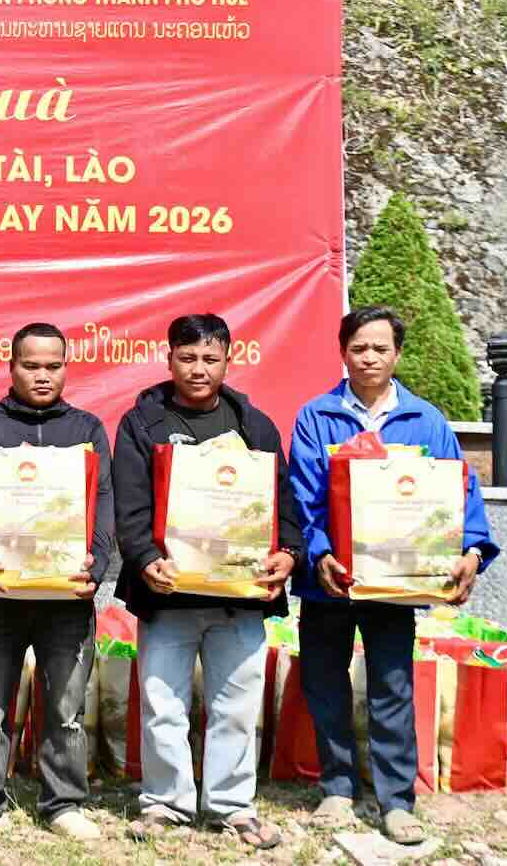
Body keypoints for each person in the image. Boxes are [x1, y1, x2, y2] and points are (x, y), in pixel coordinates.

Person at [289, 306, 498, 845]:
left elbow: (460, 494)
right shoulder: (316, 416)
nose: (370, 357)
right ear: (343, 352)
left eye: (381, 348)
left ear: (397, 354)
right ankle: (336, 788)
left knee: (392, 686)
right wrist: (317, 555)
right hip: (330, 581)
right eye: (360, 347)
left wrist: (470, 554)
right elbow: (303, 497)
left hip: (398, 584)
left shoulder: (427, 420)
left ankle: (396, 801)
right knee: (326, 682)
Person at [112, 313, 302, 849]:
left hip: (238, 599)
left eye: (210, 358)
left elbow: (282, 500)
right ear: (169, 358)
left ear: (227, 359)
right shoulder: (141, 423)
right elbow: (129, 501)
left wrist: (289, 552)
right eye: (187, 357)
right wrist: (145, 556)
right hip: (167, 593)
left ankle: (231, 806)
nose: (198, 369)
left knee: (236, 707)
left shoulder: (255, 426)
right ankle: (165, 803)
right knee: (162, 703)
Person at [0, 322, 115, 844]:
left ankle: (63, 801)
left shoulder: (86, 429)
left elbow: (104, 503)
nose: (42, 376)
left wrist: (97, 565)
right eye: (31, 365)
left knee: (67, 701)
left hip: (66, 596)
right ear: (11, 367)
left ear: (66, 368)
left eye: (53, 366)